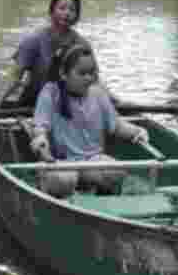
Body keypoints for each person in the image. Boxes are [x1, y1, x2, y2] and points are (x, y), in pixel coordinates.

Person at [30, 44, 151, 198]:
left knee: (117, 171)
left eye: (91, 73)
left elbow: (116, 125)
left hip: (92, 161)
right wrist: (40, 139)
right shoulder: (50, 92)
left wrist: (137, 132)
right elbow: (40, 125)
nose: (89, 78)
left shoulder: (98, 93)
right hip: (61, 162)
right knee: (63, 180)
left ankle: (102, 200)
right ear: (63, 74)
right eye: (82, 73)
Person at [0, 0, 90, 109]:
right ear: (52, 11)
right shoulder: (34, 40)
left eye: (72, 10)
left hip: (69, 106)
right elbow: (14, 77)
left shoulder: (82, 44)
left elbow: (93, 81)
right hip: (33, 104)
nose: (67, 13)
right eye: (62, 8)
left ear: (76, 16)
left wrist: (115, 101)